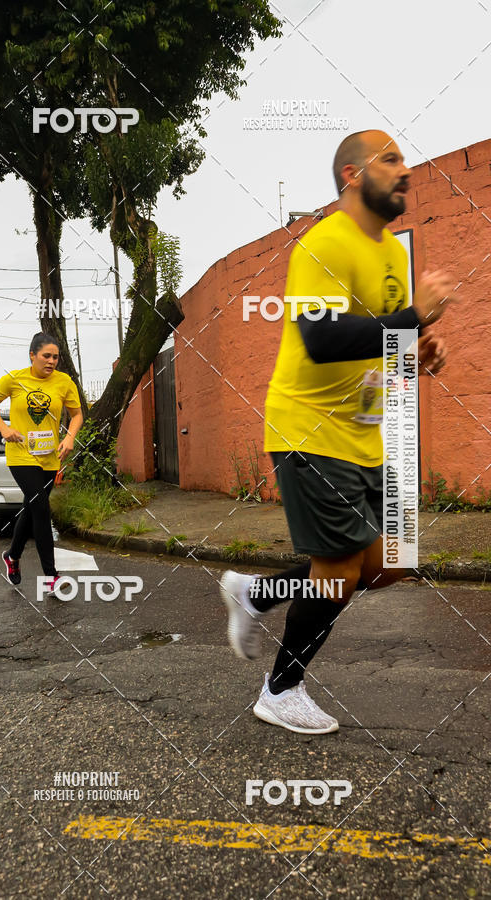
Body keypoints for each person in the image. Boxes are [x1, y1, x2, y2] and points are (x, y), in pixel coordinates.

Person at [221, 130, 454, 734]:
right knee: (340, 571)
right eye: (391, 159)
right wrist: (411, 318)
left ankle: (256, 594)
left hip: (362, 438)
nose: (406, 170)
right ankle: (280, 689)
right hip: (309, 431)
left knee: (392, 562)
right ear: (352, 175)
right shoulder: (323, 244)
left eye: (406, 158)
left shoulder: (388, 257)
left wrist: (414, 353)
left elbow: (380, 341)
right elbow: (321, 340)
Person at [0, 332, 83, 591]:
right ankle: (51, 576)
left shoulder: (64, 382)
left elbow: (77, 415)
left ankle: (12, 556)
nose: (51, 361)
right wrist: (4, 429)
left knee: (31, 508)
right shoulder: (15, 379)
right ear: (32, 355)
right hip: (20, 454)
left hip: (50, 457)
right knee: (40, 507)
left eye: (55, 357)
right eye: (46, 356)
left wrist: (70, 437)